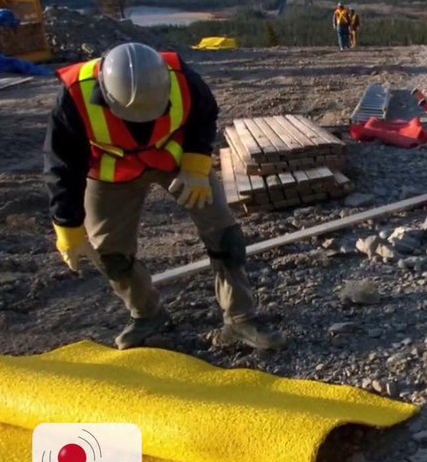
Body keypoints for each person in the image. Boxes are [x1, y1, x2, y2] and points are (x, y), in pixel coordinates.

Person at [45, 42, 286, 351]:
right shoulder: (74, 95)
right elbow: (61, 165)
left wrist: (196, 166)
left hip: (174, 160)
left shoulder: (182, 77)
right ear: (105, 93)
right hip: (112, 173)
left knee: (225, 236)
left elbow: (204, 116)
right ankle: (147, 315)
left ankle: (240, 318)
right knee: (111, 256)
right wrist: (68, 227)